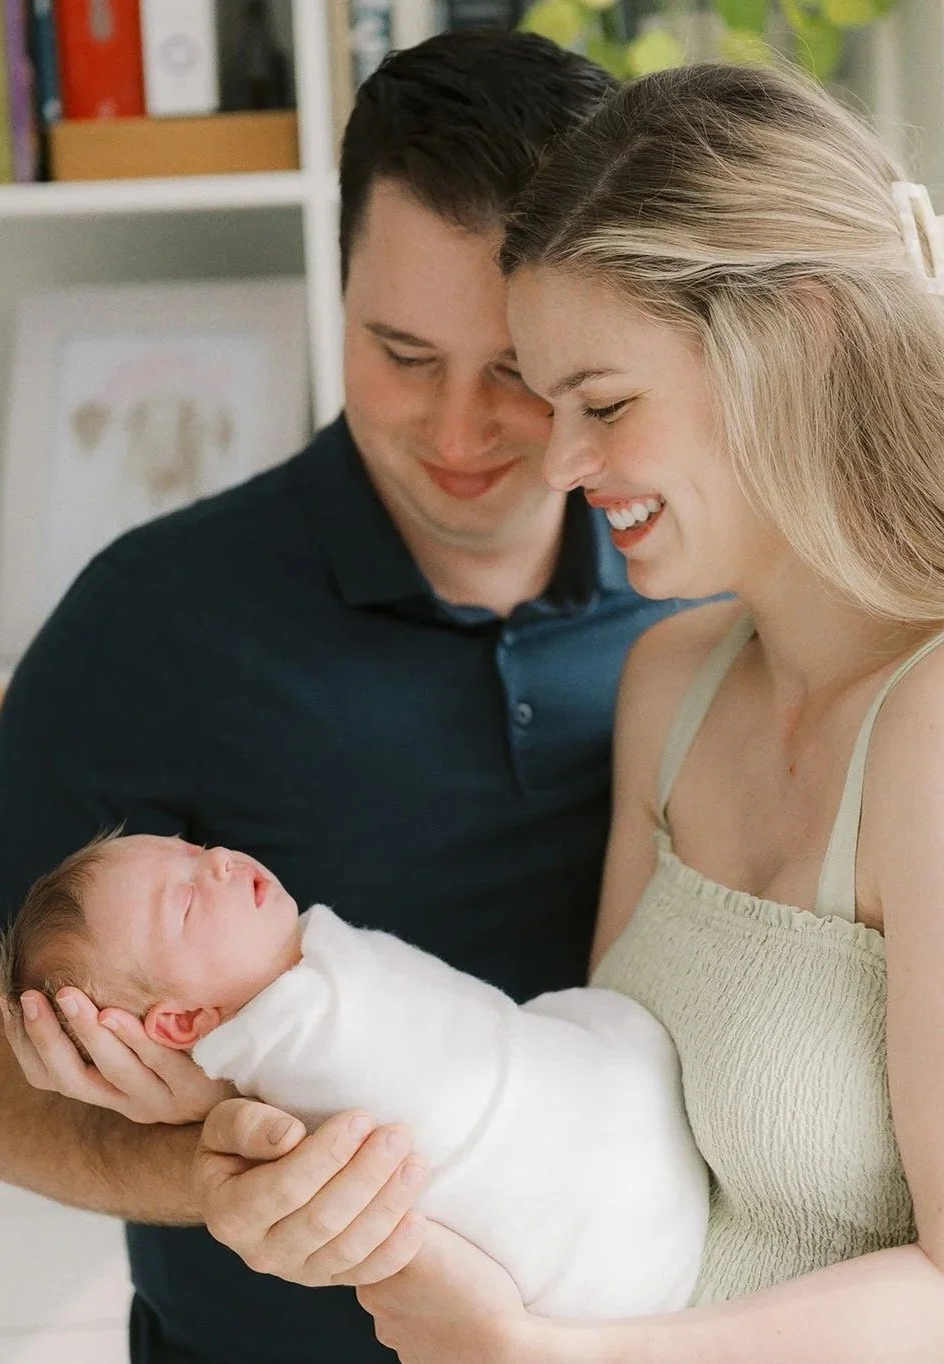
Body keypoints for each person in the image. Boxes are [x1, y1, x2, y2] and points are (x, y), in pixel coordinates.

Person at [0, 30, 684, 1364]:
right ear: (336, 289)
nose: (457, 434)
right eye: (399, 352)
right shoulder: (148, 622)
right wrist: (207, 1175)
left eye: (512, 367)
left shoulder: (698, 590)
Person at [350, 61, 944, 1364]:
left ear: (803, 333)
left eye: (602, 404)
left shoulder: (928, 731)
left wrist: (551, 1358)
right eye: (550, 406)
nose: (559, 466)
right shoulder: (666, 690)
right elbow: (585, 1124)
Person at [0, 830, 708, 1319]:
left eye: (196, 849)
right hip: (601, 1246)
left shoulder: (309, 969)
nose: (216, 864)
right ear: (181, 1026)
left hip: (602, 1108)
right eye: (183, 902)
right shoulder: (296, 1054)